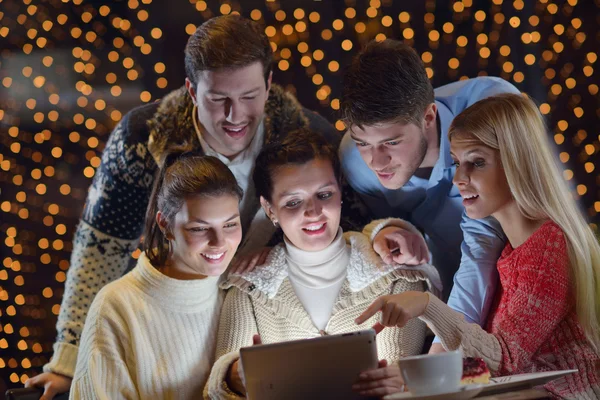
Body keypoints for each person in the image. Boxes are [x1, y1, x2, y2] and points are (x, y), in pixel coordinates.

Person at [26, 14, 352, 399]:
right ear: (192, 91)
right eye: (219, 99)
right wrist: (67, 361)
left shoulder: (309, 136)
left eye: (249, 97)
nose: (235, 116)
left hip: (262, 322)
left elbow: (353, 221)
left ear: (268, 86)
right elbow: (100, 248)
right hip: (165, 324)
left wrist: (389, 231)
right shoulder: (139, 139)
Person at [355, 94, 600, 399]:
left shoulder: (549, 247)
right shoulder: (510, 252)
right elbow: (489, 367)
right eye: (457, 163)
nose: (459, 178)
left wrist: (427, 305)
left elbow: (506, 361)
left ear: (517, 161)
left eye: (477, 162)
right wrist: (408, 377)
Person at [205, 130, 440, 399]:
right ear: (270, 209)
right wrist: (234, 378)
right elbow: (217, 388)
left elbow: (407, 373)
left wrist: (401, 382)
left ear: (340, 191)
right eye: (293, 202)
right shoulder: (248, 288)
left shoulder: (399, 277)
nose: (314, 212)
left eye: (324, 195)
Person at [339, 39, 521, 352]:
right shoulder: (354, 163)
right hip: (439, 302)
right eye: (363, 142)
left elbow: (484, 243)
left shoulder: (493, 108)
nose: (376, 162)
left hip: (522, 287)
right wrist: (391, 229)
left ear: (428, 117)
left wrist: (441, 355)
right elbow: (394, 235)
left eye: (392, 143)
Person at [67, 154, 244, 398]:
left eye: (230, 225)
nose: (219, 243)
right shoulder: (117, 306)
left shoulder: (241, 287)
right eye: (200, 228)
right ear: (165, 225)